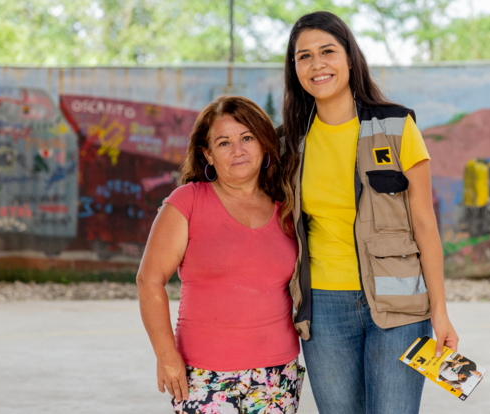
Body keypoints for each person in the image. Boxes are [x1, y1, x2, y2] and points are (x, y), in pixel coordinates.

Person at [279, 11, 459, 414]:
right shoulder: (291, 144)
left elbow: (425, 226)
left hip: (402, 307)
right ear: (294, 69)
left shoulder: (397, 127)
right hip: (324, 310)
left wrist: (441, 313)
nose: (317, 64)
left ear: (349, 58)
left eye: (328, 51)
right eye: (304, 56)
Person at [138, 96, 304, 414]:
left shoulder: (286, 209)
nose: (238, 150)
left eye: (247, 138)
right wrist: (165, 354)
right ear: (208, 155)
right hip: (202, 374)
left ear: (265, 144)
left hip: (277, 375)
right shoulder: (188, 201)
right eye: (224, 142)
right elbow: (149, 280)